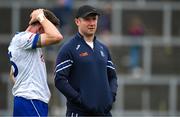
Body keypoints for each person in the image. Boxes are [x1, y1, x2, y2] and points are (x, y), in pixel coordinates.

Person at [54, 5, 118, 116]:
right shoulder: (69, 48)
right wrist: (79, 99)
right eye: (87, 19)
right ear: (77, 21)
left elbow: (112, 77)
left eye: (94, 19)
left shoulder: (103, 48)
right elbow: (59, 79)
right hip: (79, 113)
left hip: (104, 113)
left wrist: (111, 96)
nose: (92, 23)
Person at [8, 8, 63, 116]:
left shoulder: (24, 42)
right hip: (31, 101)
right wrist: (41, 16)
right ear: (41, 26)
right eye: (47, 28)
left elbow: (11, 74)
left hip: (29, 100)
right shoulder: (23, 39)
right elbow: (57, 37)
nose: (48, 32)